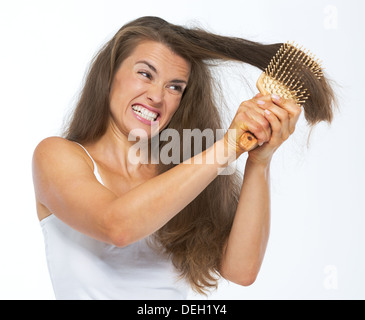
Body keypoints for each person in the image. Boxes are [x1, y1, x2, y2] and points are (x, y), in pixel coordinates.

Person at [32, 16, 335, 300]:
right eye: (145, 74)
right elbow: (118, 227)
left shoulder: (183, 172)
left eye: (175, 87)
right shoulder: (57, 156)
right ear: (109, 75)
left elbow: (241, 271)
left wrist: (258, 159)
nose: (157, 96)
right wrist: (227, 147)